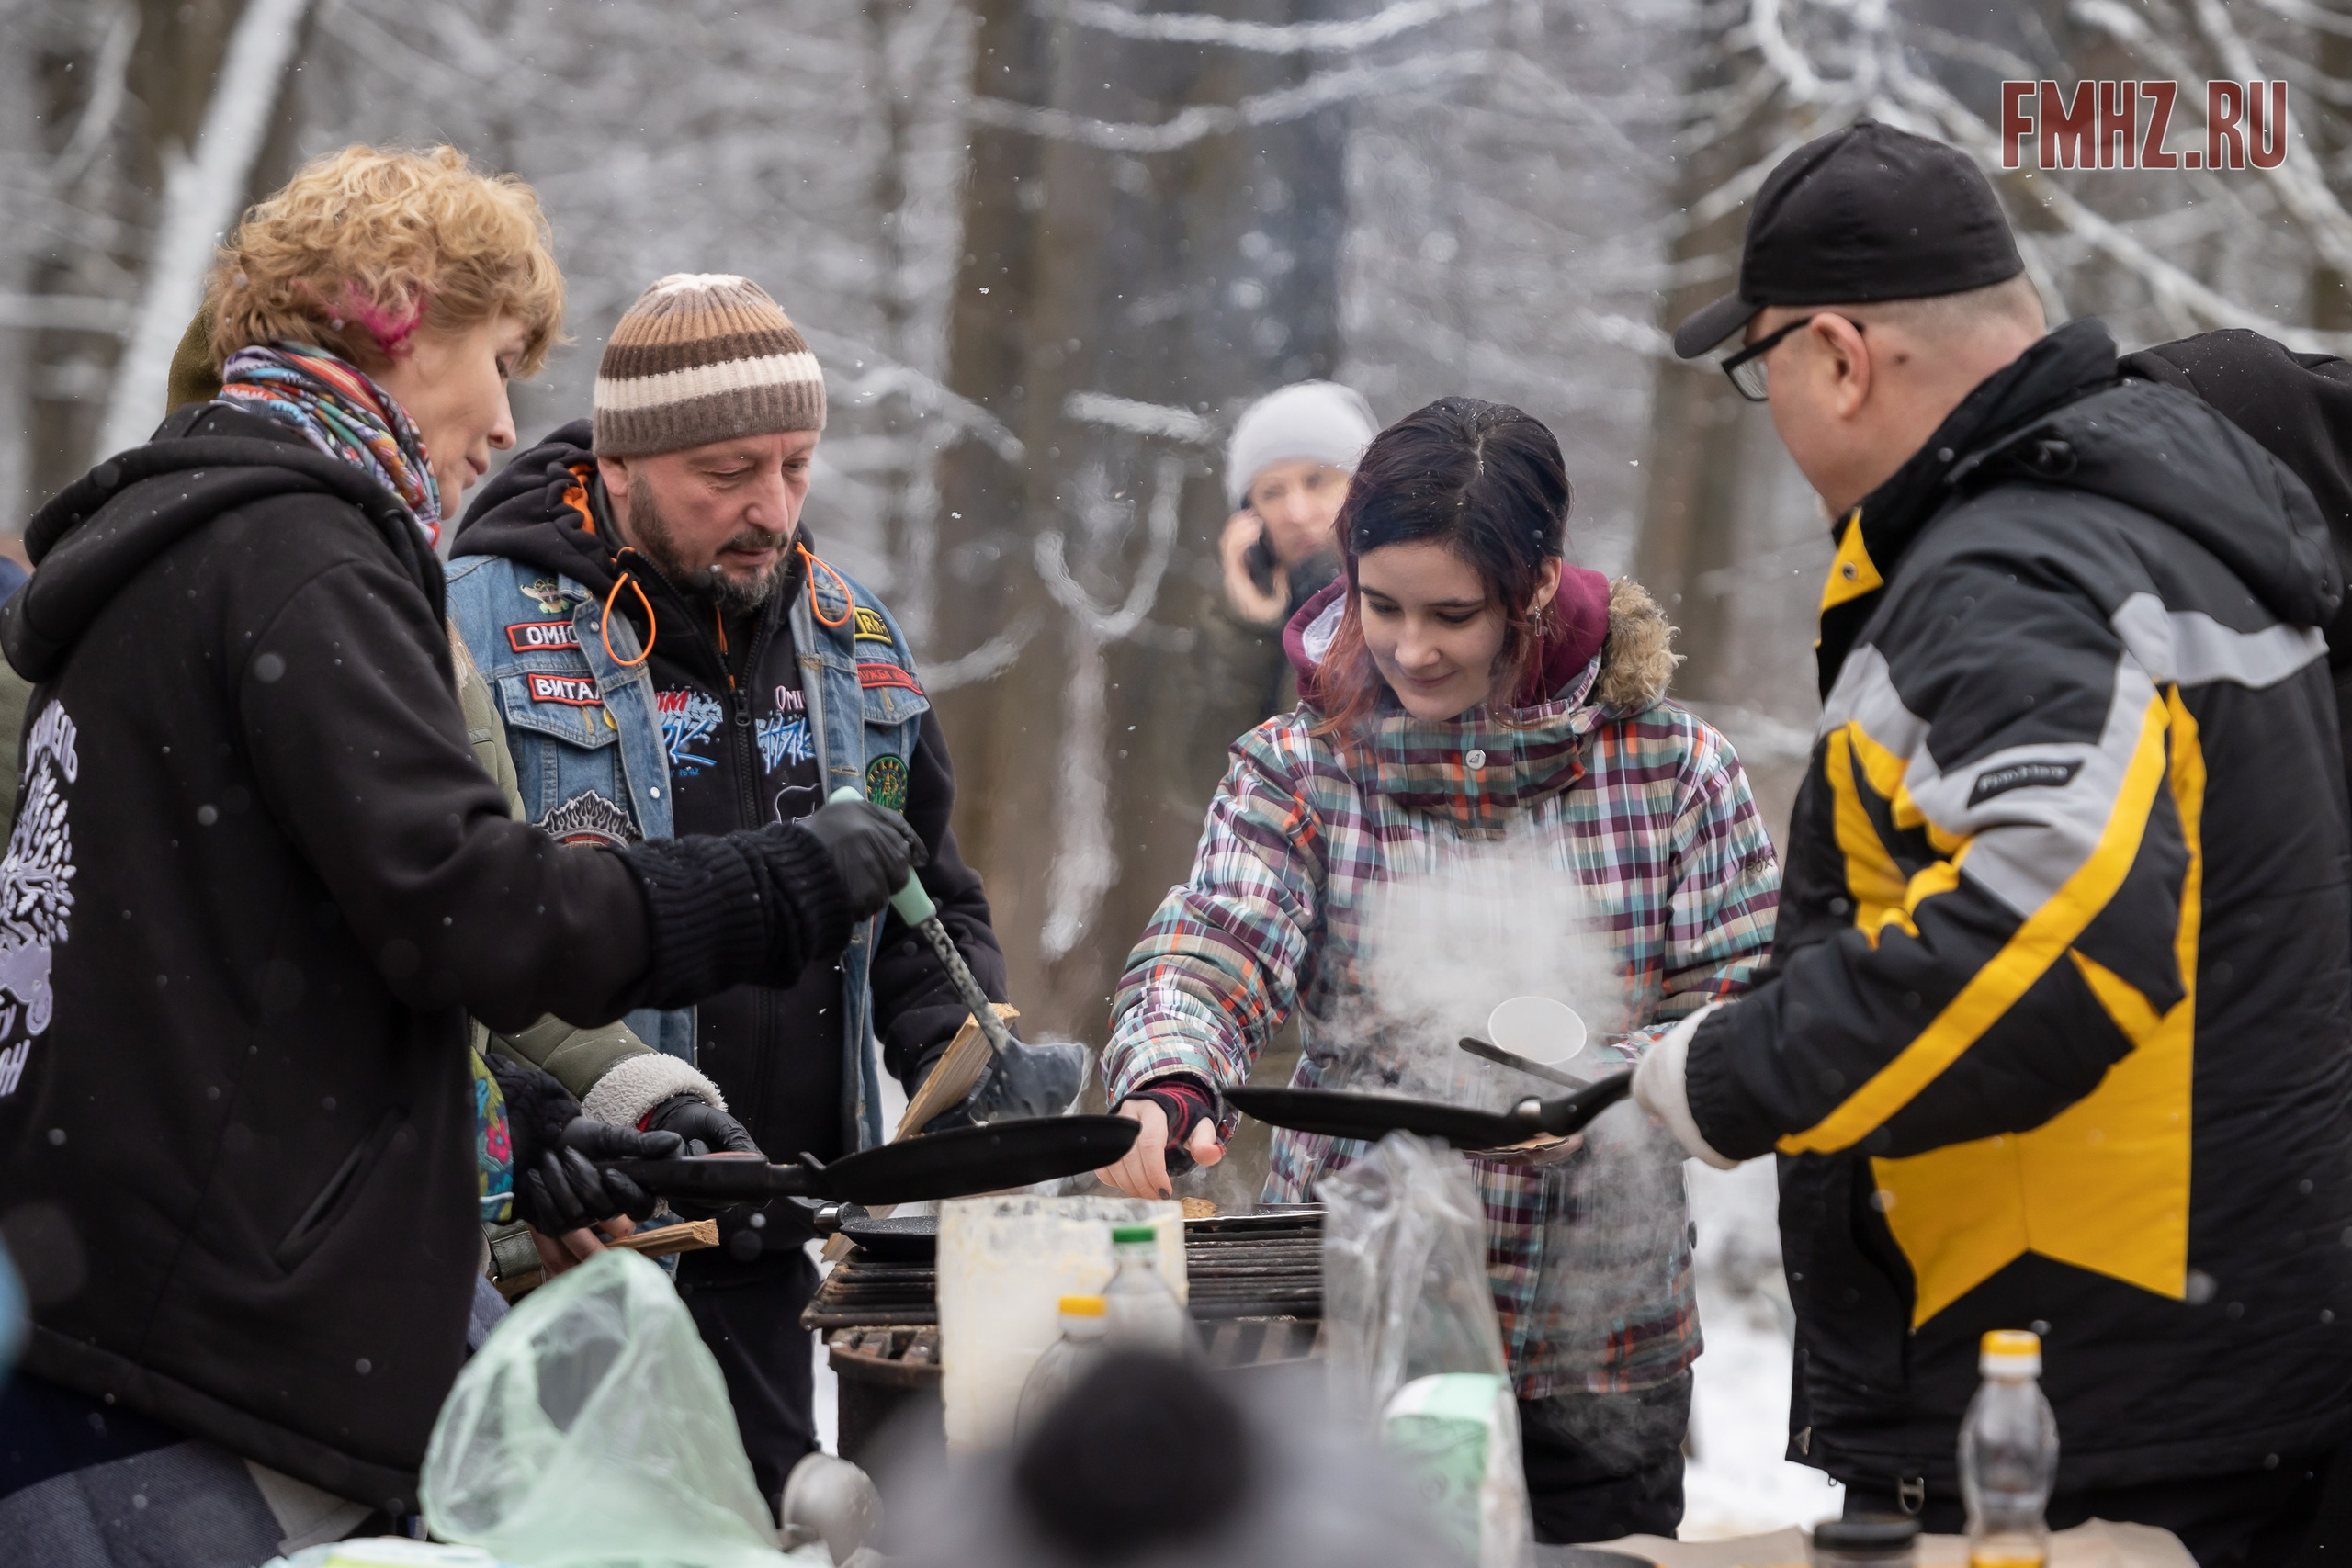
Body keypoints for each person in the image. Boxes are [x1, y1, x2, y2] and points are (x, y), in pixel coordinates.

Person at [0, 147, 919, 1557]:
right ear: (390, 314)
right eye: (497, 360)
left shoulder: (194, 542)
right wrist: (781, 879)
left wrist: (532, 1117)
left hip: (112, 1300)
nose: (505, 419)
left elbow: (294, 939)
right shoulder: (297, 548)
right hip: (199, 1362)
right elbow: (469, 910)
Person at [1645, 121, 2352, 1566]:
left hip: (2075, 1400)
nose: (1767, 405)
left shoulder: (2013, 567)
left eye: (1759, 365)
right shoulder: (2174, 512)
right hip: (2227, 1357)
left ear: (1839, 353)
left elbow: (2061, 933)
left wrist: (1732, 1069)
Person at [1097, 397, 1782, 1542]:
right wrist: (1172, 1075)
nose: (1410, 649)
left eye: (1452, 614)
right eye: (1382, 606)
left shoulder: (1673, 770)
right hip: (1337, 1332)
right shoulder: (1300, 767)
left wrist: (1615, 1086)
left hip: (1599, 1348)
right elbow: (1213, 945)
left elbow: (1752, 1005)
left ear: (1534, 585)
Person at [443, 272, 1067, 1507]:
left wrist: (960, 1052)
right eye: (726, 471)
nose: (769, 507)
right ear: (620, 462)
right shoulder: (474, 619)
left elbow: (926, 907)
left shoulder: (855, 637)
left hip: (774, 1242)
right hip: (575, 1238)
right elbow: (440, 915)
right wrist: (520, 1112)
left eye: (794, 464)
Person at [1199, 381, 1378, 726]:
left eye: (1317, 481)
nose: (1296, 513)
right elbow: (1217, 769)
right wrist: (1248, 630)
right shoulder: (1233, 626)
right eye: (1272, 493)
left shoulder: (1405, 606)